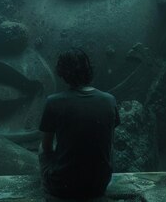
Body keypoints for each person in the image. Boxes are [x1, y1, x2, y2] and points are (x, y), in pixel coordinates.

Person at [39, 48, 121, 199]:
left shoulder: (53, 102)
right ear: (88, 69)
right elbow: (110, 143)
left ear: (62, 72)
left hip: (63, 186)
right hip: (99, 185)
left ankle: (48, 188)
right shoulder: (110, 100)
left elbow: (46, 147)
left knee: (41, 149)